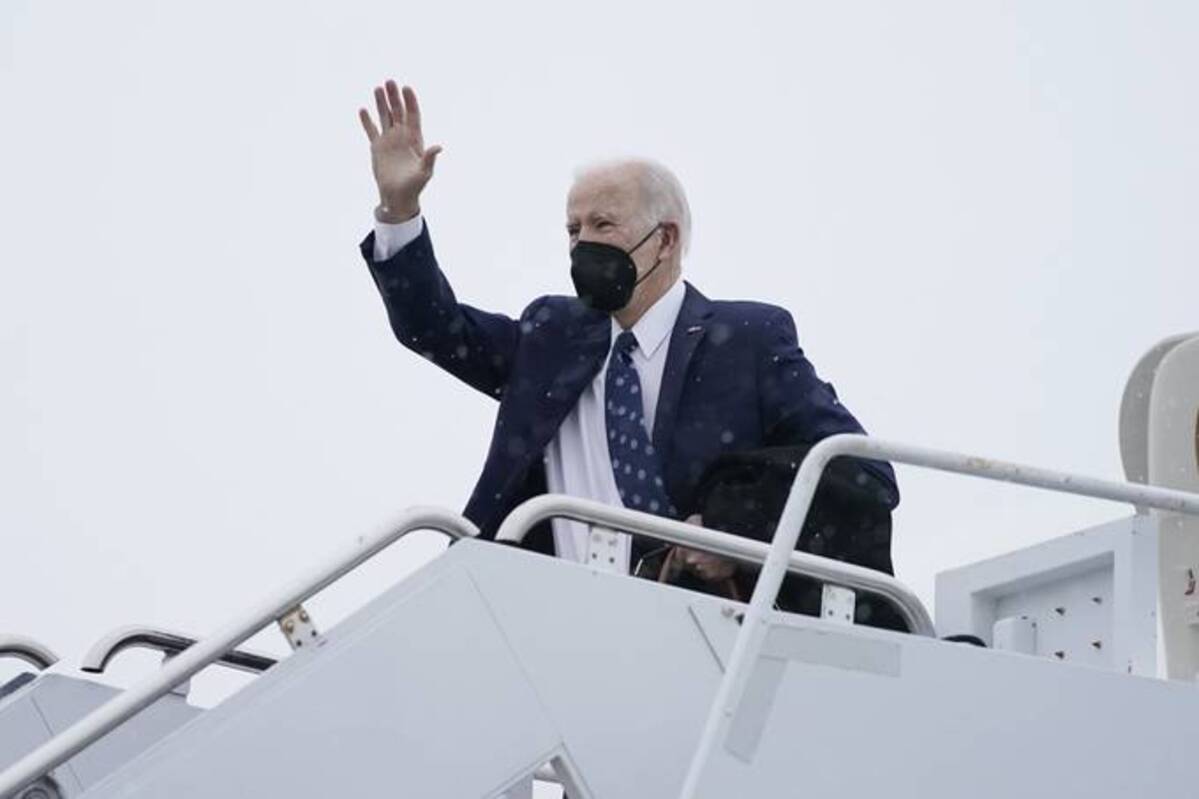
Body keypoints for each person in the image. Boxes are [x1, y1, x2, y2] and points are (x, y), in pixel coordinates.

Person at [356, 79, 897, 591]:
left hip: (695, 622)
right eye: (573, 229)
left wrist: (736, 529)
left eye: (602, 225)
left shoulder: (750, 339)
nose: (581, 243)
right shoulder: (550, 336)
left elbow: (862, 473)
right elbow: (432, 327)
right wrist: (399, 210)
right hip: (542, 615)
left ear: (664, 240)